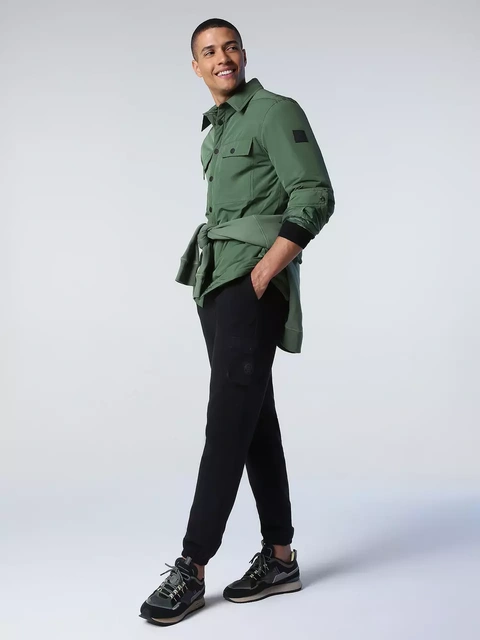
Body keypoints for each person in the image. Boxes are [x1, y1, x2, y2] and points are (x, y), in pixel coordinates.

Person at [139, 17, 335, 626]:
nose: (221, 57)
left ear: (243, 54)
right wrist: (227, 284)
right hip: (216, 282)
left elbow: (315, 193)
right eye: (208, 51)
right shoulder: (218, 126)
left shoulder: (275, 111)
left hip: (250, 283)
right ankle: (280, 559)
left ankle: (192, 565)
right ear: (195, 66)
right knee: (252, 419)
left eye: (229, 47)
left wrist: (263, 272)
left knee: (226, 419)